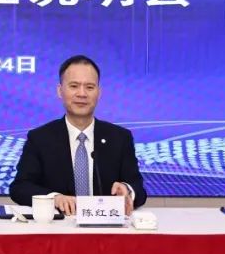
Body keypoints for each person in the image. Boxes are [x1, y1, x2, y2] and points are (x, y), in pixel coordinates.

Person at [9, 55, 146, 216]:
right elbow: (20, 187)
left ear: (99, 92)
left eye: (89, 87)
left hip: (107, 226)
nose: (82, 94)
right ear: (60, 91)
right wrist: (54, 198)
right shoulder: (40, 138)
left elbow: (138, 188)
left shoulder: (120, 138)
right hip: (58, 227)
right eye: (74, 86)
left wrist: (128, 191)